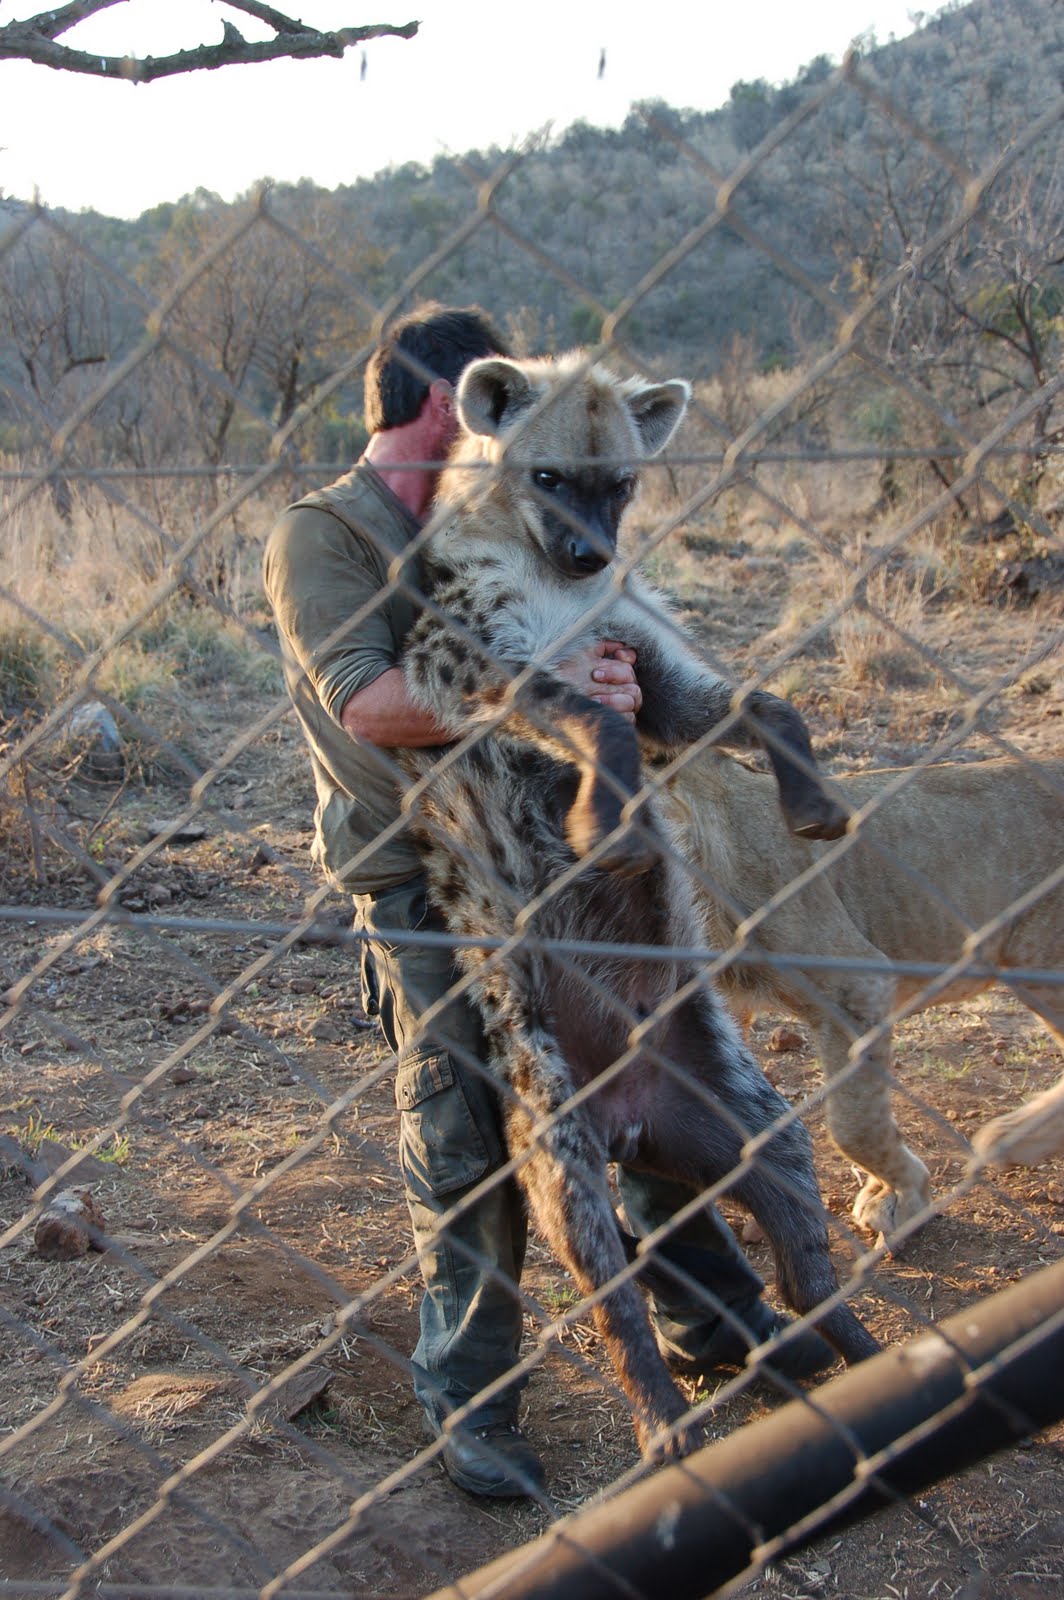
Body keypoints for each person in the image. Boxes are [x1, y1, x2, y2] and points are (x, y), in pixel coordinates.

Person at [263, 303, 833, 1501]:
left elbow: (604, 661)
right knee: (477, 1130)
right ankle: (471, 1399)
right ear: (451, 406)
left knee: (659, 1090)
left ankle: (723, 1323)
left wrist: (619, 687)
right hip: (423, 878)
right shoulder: (328, 535)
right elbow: (371, 705)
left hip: (564, 855)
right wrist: (554, 683)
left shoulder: (517, 509)